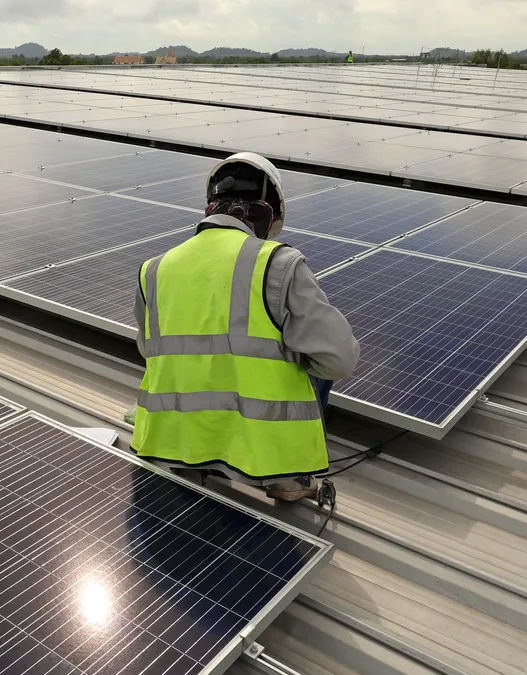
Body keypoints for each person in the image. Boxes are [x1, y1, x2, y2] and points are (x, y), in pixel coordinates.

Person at [131, 152, 360, 502]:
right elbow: (340, 360)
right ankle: (289, 478)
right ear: (267, 214)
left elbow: (149, 351)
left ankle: (196, 454)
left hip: (169, 442)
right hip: (261, 453)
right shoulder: (279, 262)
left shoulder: (153, 269)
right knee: (316, 351)